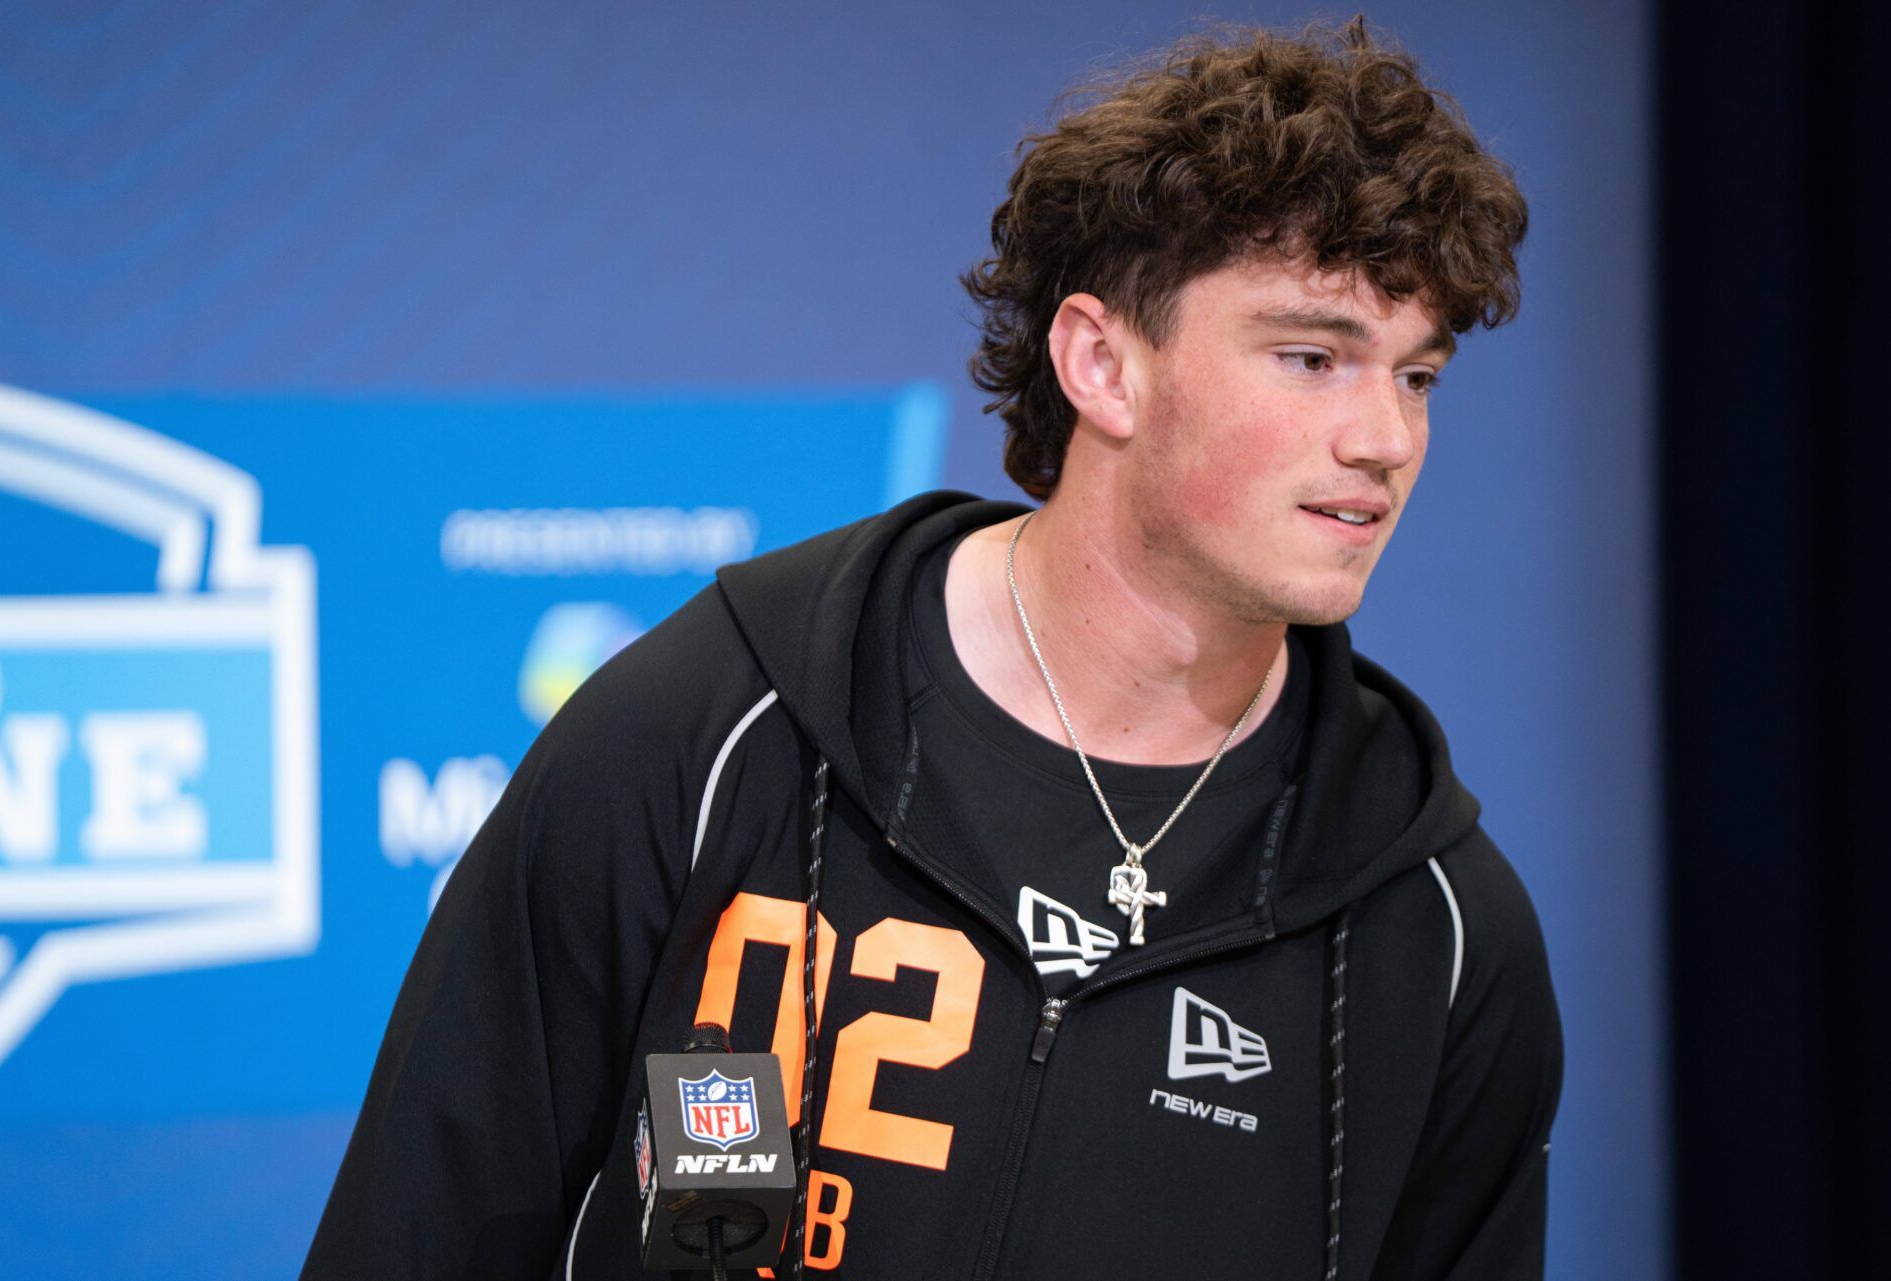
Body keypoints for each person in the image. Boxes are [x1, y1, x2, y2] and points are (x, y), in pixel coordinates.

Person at [304, 18, 1561, 1281]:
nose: (1384, 440)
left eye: (1417, 378)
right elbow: (420, 1227)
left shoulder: (1440, 930)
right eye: (1312, 357)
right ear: (1102, 364)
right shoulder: (709, 729)